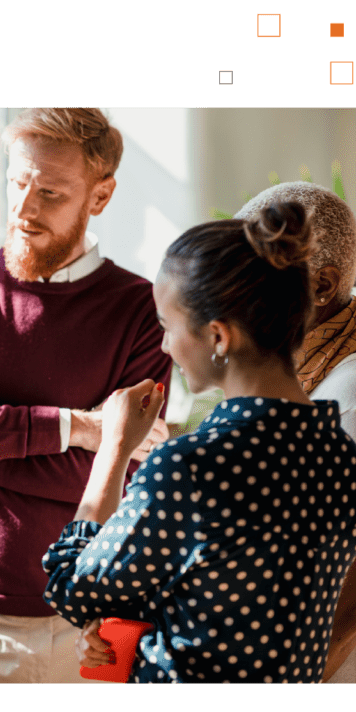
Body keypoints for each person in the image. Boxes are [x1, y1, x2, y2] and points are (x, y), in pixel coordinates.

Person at [0, 108, 172, 684]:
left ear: (100, 196)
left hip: (93, 631)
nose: (24, 209)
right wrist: (83, 429)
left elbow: (122, 476)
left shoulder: (143, 311)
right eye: (18, 182)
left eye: (50, 192)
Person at [42, 202, 356, 683]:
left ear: (218, 337)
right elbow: (243, 599)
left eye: (168, 327)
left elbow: (75, 587)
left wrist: (113, 447)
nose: (165, 346)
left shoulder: (193, 467)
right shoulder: (338, 455)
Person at [235, 182, 356, 683]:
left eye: (249, 276)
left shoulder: (344, 404)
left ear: (323, 286)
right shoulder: (297, 375)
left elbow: (348, 594)